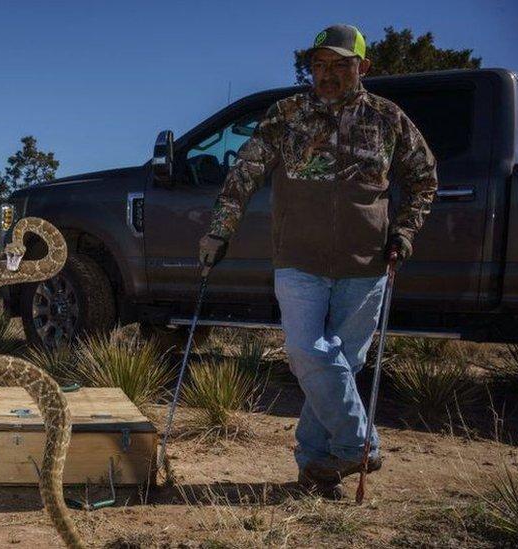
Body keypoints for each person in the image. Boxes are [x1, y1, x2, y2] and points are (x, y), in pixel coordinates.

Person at [197, 24, 437, 499]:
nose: (326, 75)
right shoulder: (287, 114)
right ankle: (359, 444)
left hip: (366, 263)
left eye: (339, 65)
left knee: (341, 365)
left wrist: (404, 232)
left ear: (362, 67)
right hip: (299, 259)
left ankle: (316, 468)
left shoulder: (388, 119)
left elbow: (425, 178)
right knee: (308, 352)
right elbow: (245, 172)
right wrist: (219, 229)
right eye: (319, 65)